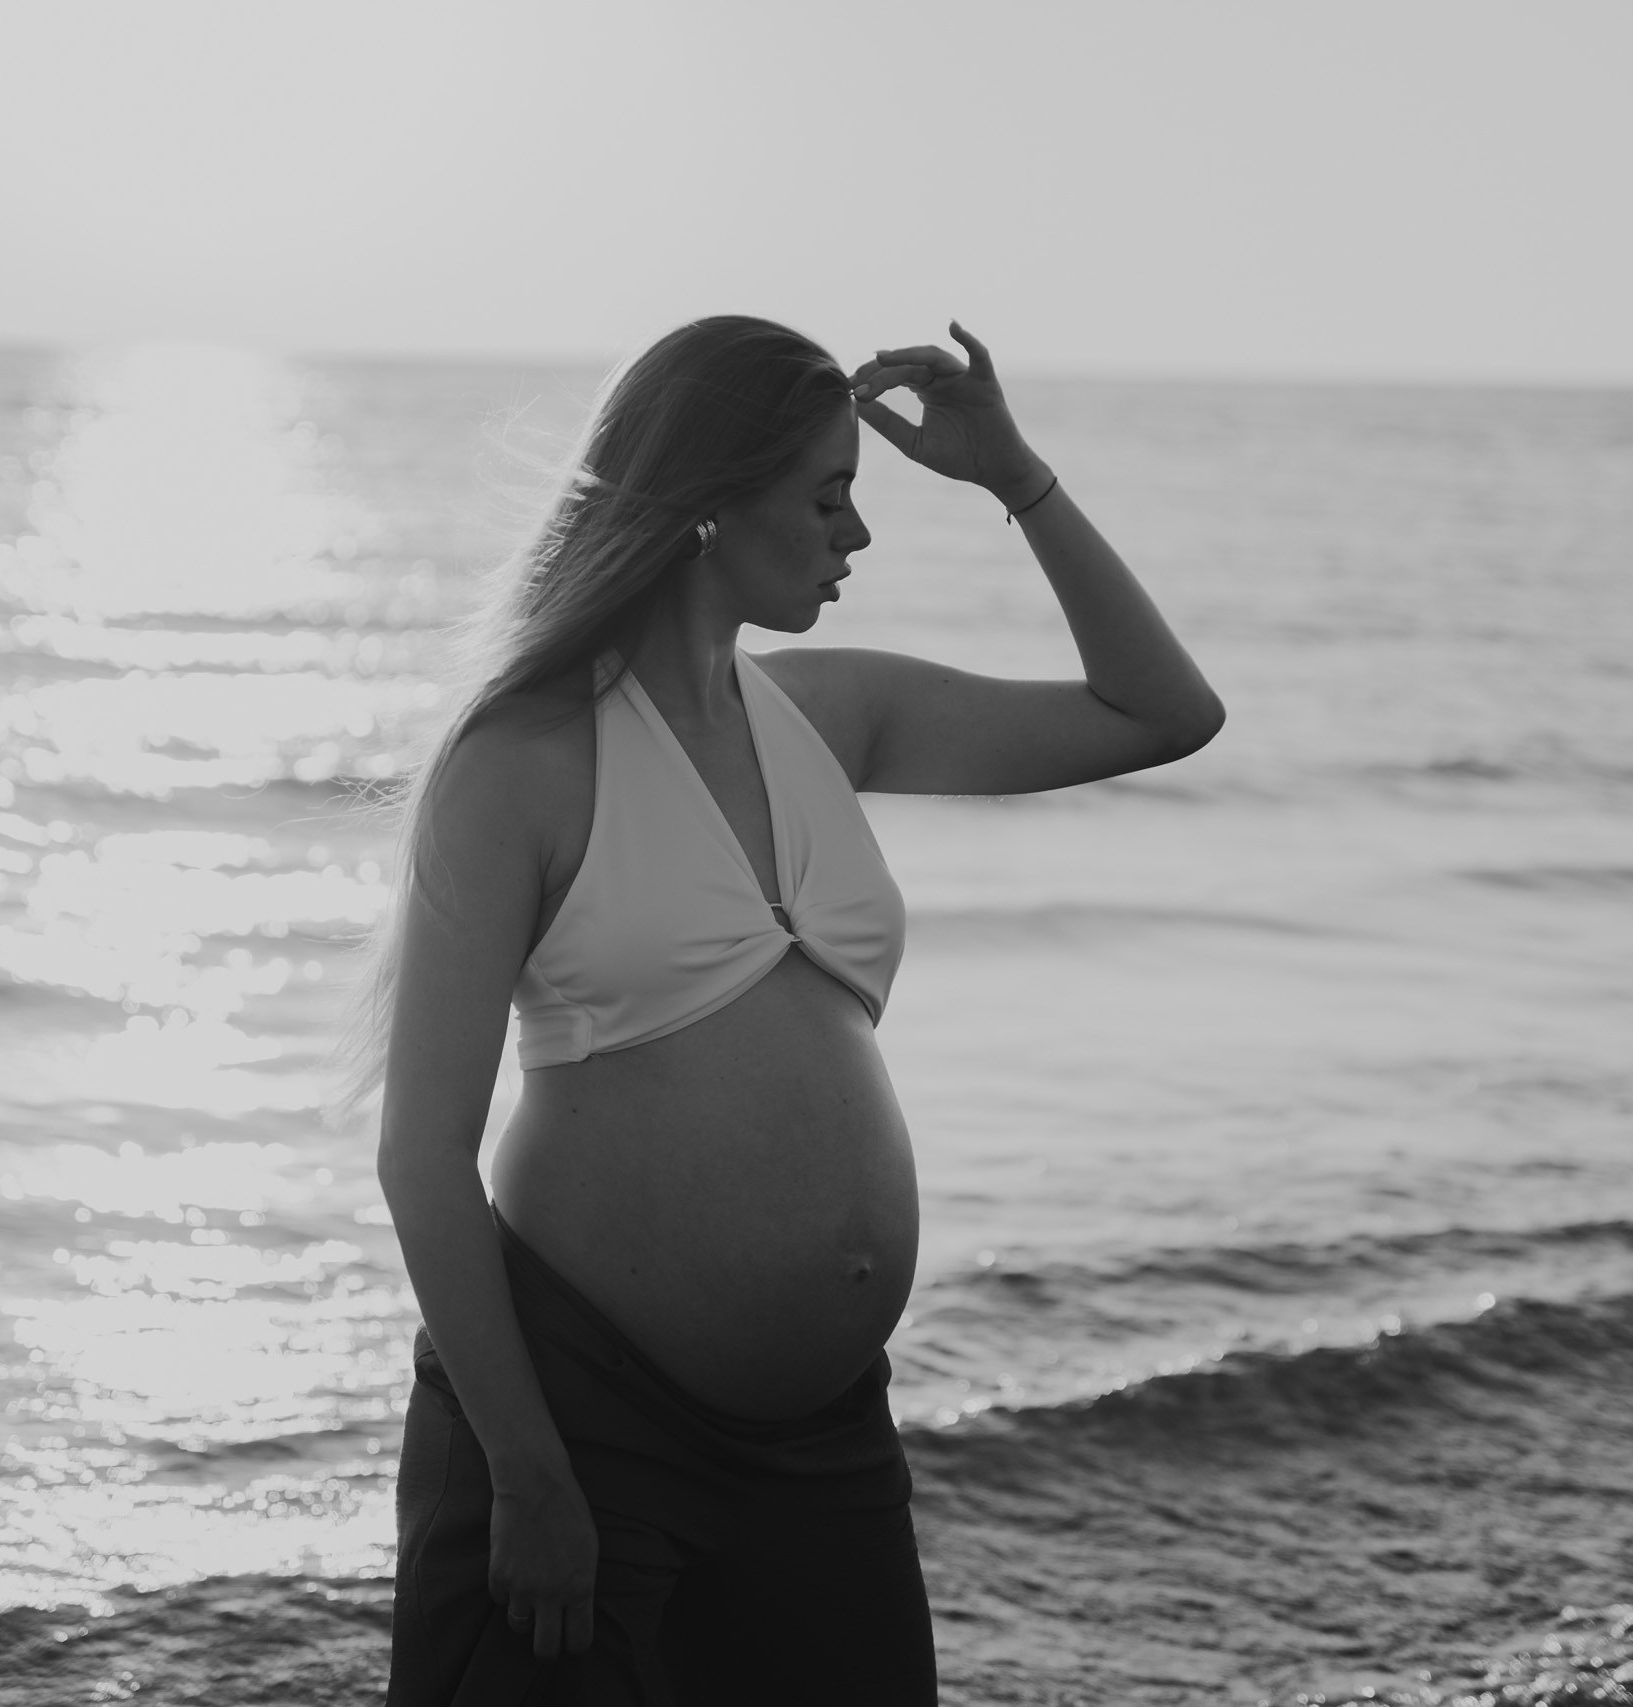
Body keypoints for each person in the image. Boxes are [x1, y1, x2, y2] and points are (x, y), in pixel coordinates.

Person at [373, 314, 1223, 1704]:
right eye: (829, 497)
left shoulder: (825, 714)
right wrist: (527, 1473)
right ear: (712, 502)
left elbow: (1162, 713)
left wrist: (1016, 477)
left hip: (822, 1445)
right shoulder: (522, 761)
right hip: (582, 1420)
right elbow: (422, 1155)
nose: (857, 534)